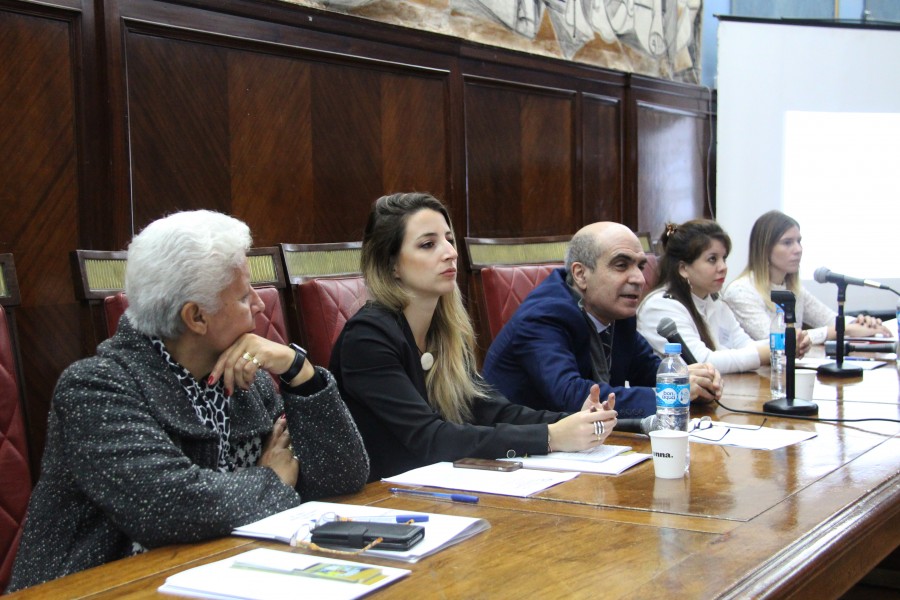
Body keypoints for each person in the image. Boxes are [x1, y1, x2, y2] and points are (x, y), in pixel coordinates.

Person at [8, 211, 368, 592]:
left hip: (218, 576)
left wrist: (299, 371)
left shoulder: (247, 377)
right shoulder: (96, 389)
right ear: (196, 317)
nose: (261, 307)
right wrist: (272, 480)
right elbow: (174, 508)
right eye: (245, 297)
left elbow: (340, 476)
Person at [330, 193, 618, 481]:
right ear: (391, 264)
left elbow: (490, 410)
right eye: (428, 244)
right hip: (378, 503)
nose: (450, 252)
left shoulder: (445, 330)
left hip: (435, 489)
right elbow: (431, 438)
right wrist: (550, 436)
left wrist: (572, 422)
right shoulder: (367, 338)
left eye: (449, 240)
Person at [483, 222, 722, 417]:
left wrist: (691, 381)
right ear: (581, 274)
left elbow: (650, 372)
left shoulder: (617, 312)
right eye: (621, 265)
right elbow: (574, 397)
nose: (639, 278)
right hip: (521, 452)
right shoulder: (544, 317)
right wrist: (672, 394)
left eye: (640, 266)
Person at [723, 210, 890, 345]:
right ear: (765, 249)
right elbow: (774, 340)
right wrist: (842, 329)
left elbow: (829, 319)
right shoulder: (741, 291)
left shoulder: (794, 289)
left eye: (799, 241)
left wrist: (861, 323)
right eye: (787, 243)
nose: (798, 249)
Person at [636, 220, 780, 374]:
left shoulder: (714, 301)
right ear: (683, 268)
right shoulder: (660, 307)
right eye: (712, 259)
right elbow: (701, 362)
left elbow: (744, 345)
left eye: (724, 258)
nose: (723, 267)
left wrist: (783, 343)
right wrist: (770, 352)